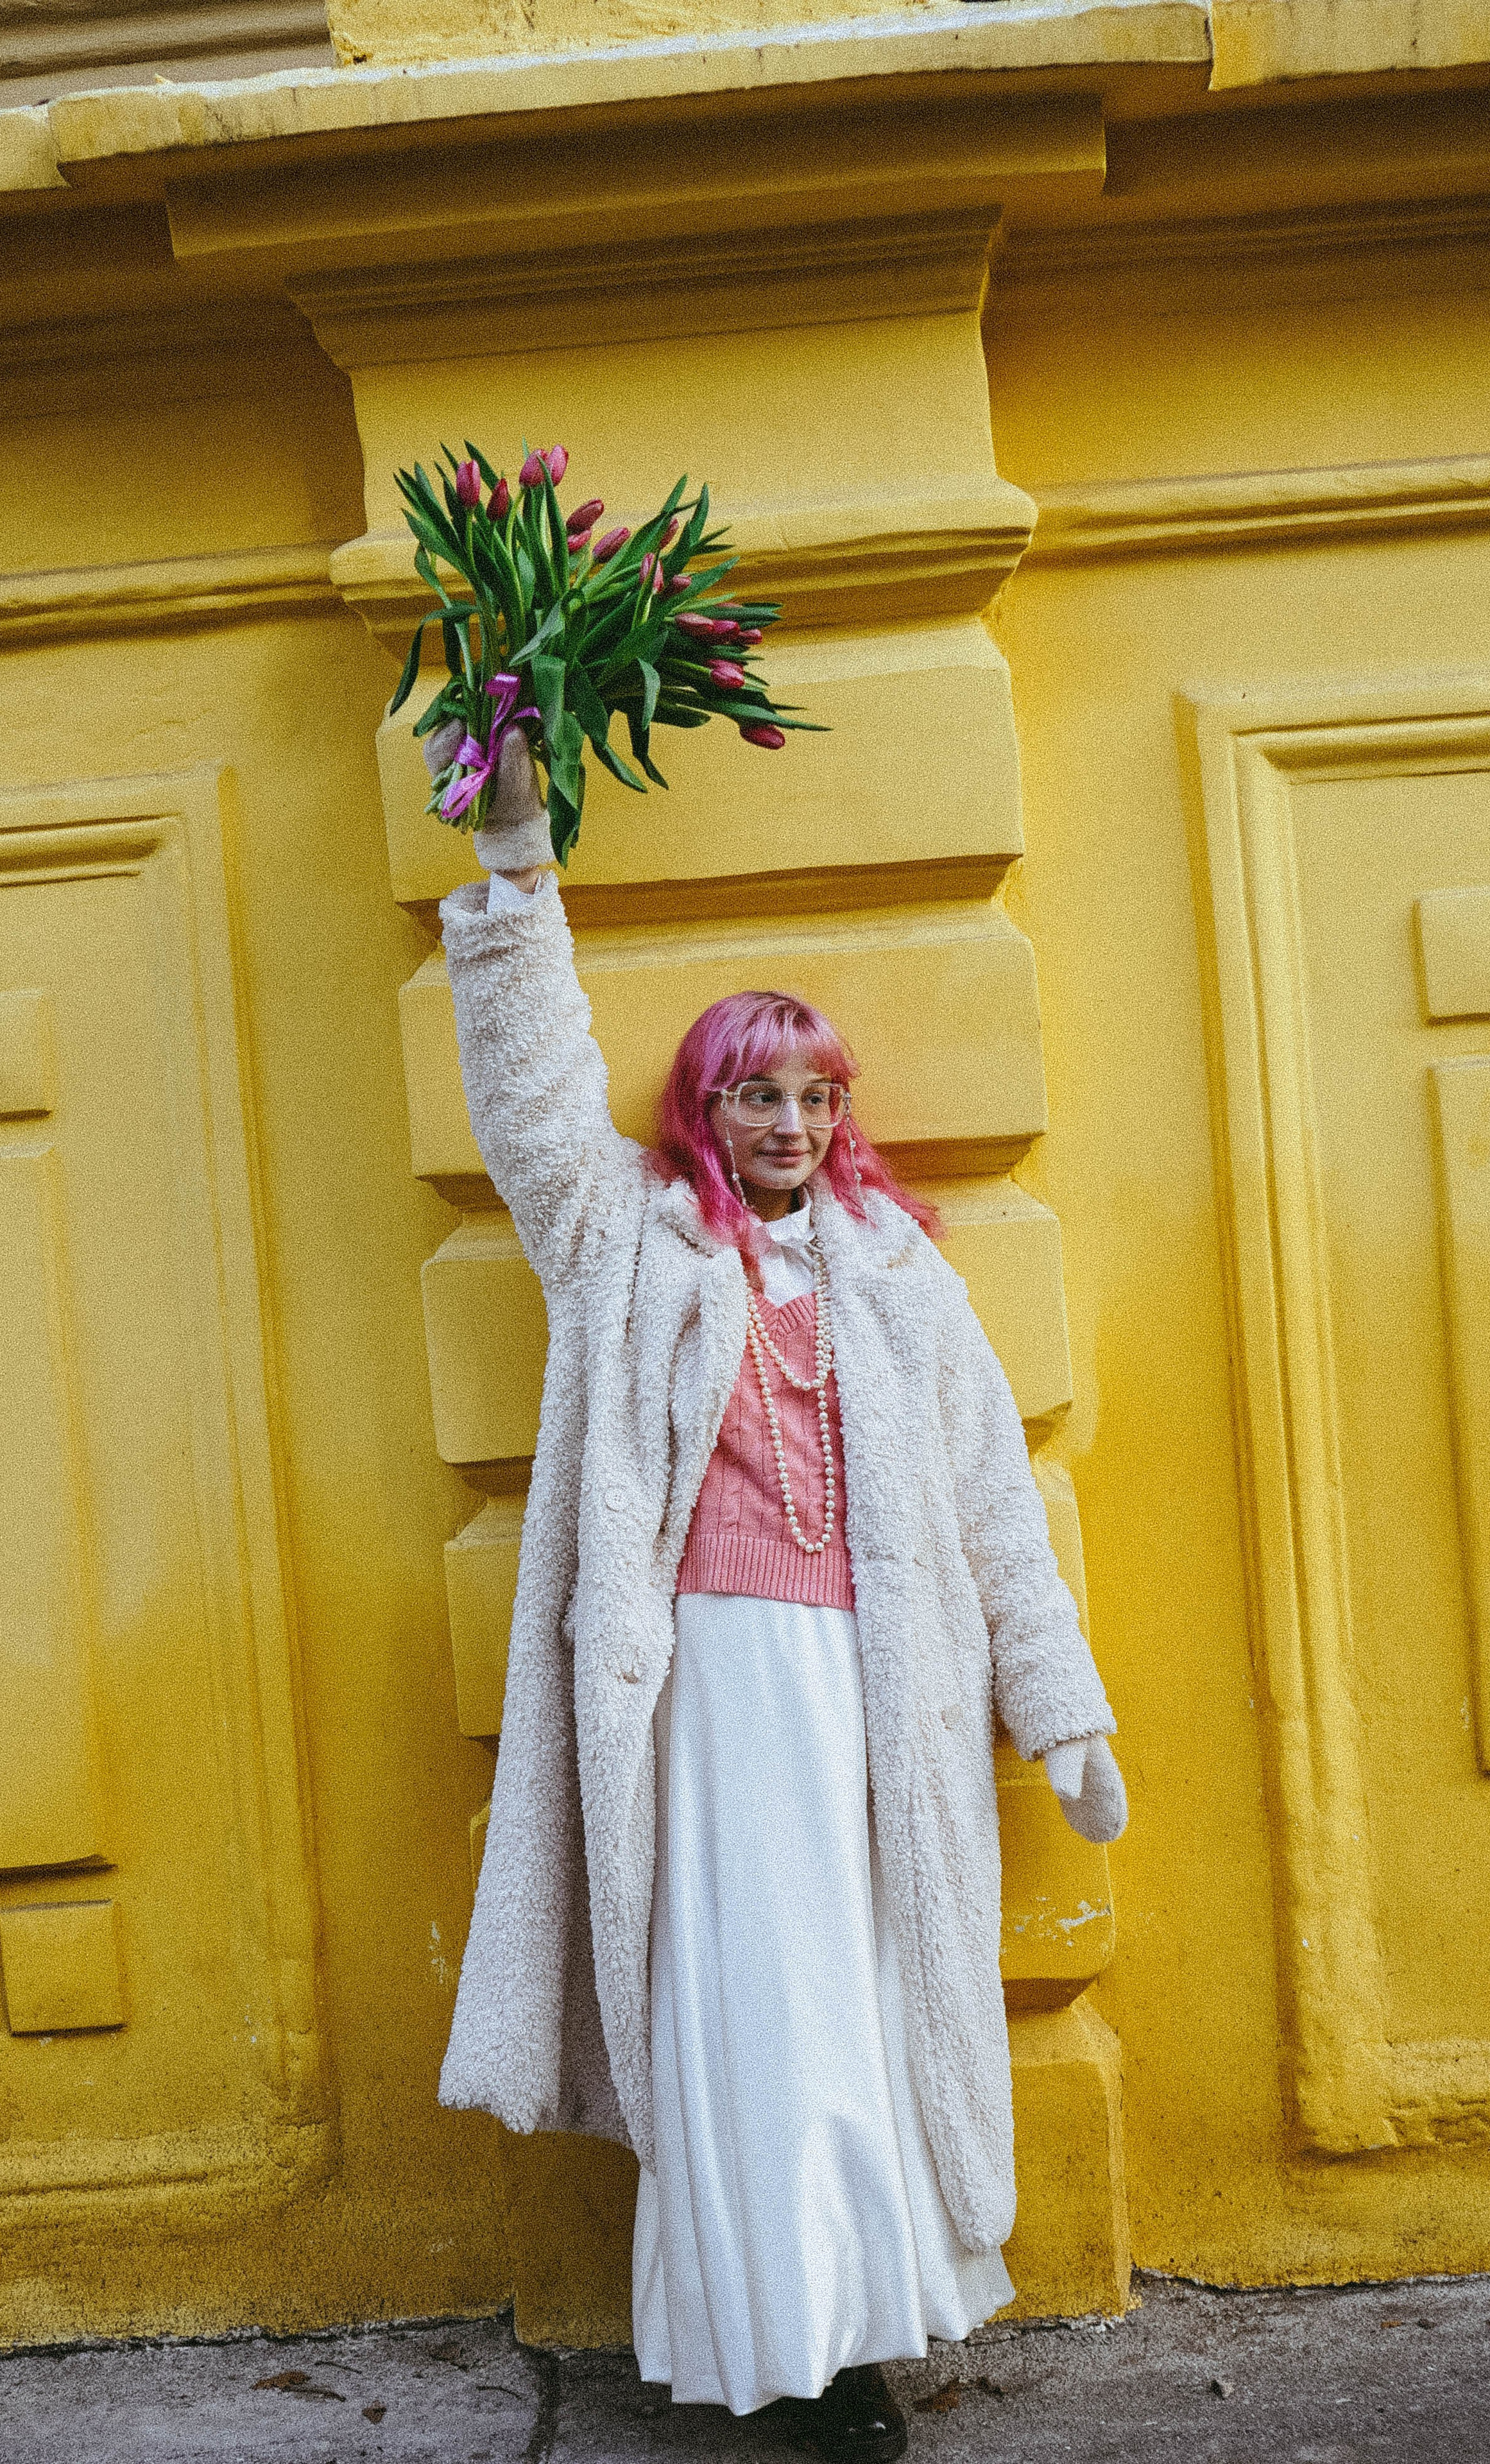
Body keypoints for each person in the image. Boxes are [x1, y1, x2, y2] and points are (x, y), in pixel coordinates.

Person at [431, 726, 1127, 2462]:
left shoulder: (903, 1283)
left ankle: (866, 2324)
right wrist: (520, 861)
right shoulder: (628, 1239)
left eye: (818, 1094)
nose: (794, 1124)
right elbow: (526, 1098)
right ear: (702, 1110)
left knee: (879, 1996)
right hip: (715, 1700)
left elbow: (991, 1517)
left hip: (876, 1694)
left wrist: (1063, 1713)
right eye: (758, 1095)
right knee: (756, 2000)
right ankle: (787, 2344)